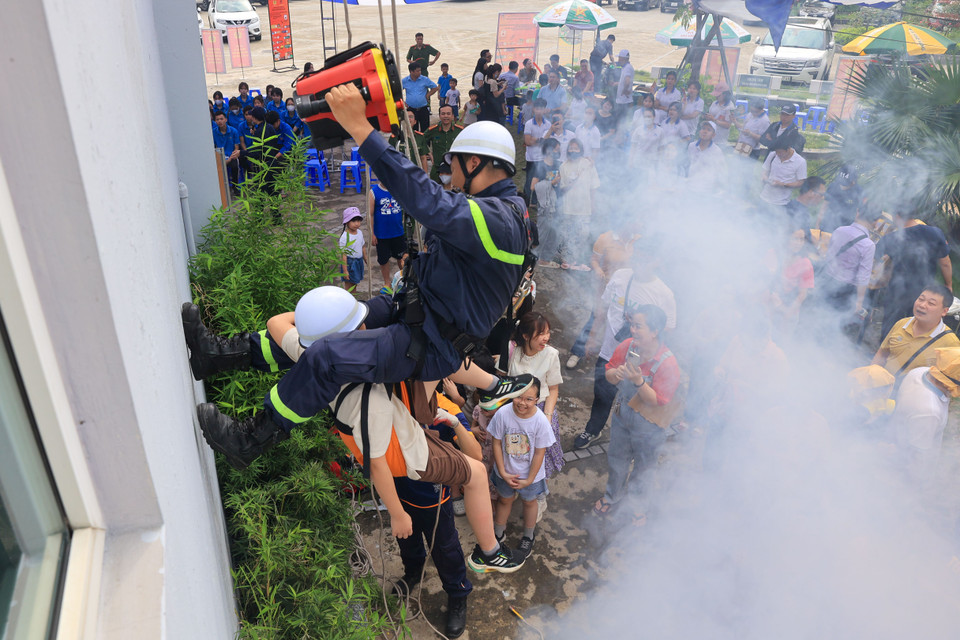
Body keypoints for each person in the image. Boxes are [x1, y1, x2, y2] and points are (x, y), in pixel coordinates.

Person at [194, 86, 536, 470]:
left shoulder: (499, 219)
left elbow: (428, 201)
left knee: (326, 357)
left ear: (475, 162)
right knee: (327, 319)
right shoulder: (502, 211)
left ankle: (250, 439)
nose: (449, 171)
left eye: (453, 163)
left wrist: (361, 130)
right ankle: (217, 355)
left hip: (431, 340)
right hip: (418, 311)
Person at [390, 394, 475, 638]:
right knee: (406, 539)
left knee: (446, 548)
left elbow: (475, 454)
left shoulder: (444, 407)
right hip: (399, 495)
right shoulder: (387, 400)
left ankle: (457, 595)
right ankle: (413, 572)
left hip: (435, 499)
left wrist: (456, 423)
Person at [575, 247, 677, 449]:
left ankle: (629, 441)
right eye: (637, 256)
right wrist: (592, 336)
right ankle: (593, 430)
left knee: (635, 402)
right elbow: (603, 309)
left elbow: (668, 331)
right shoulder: (621, 276)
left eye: (646, 258)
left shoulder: (664, 294)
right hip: (611, 351)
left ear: (657, 260)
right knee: (602, 393)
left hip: (642, 363)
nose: (639, 262)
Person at [593, 306, 681, 516]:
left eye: (638, 326)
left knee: (644, 467)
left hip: (649, 424)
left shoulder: (667, 363)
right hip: (623, 414)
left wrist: (638, 381)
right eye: (632, 324)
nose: (632, 329)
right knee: (617, 459)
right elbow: (609, 374)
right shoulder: (627, 346)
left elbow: (658, 401)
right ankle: (612, 495)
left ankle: (637, 505)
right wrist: (617, 373)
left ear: (655, 331)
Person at [488, 378, 555, 561]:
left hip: (530, 476)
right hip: (506, 472)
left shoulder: (540, 422)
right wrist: (502, 471)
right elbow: (496, 442)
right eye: (518, 396)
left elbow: (539, 454)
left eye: (529, 399)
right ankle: (498, 533)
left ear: (537, 400)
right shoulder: (503, 414)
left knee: (529, 502)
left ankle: (528, 535)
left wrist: (529, 479)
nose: (522, 403)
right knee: (504, 500)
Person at [566, 219, 641, 369]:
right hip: (606, 286)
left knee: (625, 323)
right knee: (597, 316)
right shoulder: (605, 238)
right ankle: (578, 351)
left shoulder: (638, 240)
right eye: (634, 222)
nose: (638, 226)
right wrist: (598, 270)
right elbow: (594, 260)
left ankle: (618, 360)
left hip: (629, 291)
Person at [876, 211, 953, 339]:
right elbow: (945, 263)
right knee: (918, 321)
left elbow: (878, 261)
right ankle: (910, 352)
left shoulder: (891, 238)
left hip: (897, 289)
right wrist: (948, 285)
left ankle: (885, 353)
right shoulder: (934, 232)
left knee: (892, 322)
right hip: (924, 290)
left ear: (897, 216)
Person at [506, 313, 564, 483]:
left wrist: (548, 416)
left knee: (540, 455)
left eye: (547, 332)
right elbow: (502, 380)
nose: (545, 338)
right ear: (525, 336)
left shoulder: (551, 355)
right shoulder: (512, 351)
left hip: (540, 410)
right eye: (540, 334)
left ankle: (539, 493)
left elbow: (553, 388)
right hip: (515, 409)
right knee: (517, 452)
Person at [890, 347, 960, 486]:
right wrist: (920, 484)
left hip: (898, 435)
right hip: (906, 465)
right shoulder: (929, 412)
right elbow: (917, 456)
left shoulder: (919, 372)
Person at [872, 285, 960, 377]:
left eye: (931, 303)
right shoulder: (902, 324)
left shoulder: (951, 344)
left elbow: (951, 384)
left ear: (944, 311)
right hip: (882, 387)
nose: (922, 305)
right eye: (921, 299)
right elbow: (882, 354)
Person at [816, 199, 879, 317]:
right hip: (844, 291)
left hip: (826, 281)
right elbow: (863, 277)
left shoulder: (839, 230)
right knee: (834, 321)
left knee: (820, 315)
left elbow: (830, 255)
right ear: (875, 222)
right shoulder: (868, 245)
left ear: (858, 213)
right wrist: (859, 302)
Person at [556, 138, 599, 269]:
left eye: (576, 148)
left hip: (584, 207)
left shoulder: (588, 164)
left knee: (583, 233)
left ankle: (579, 259)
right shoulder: (563, 166)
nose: (573, 150)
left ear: (580, 150)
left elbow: (594, 186)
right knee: (568, 234)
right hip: (568, 207)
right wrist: (571, 183)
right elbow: (562, 188)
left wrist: (593, 204)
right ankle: (567, 259)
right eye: (571, 148)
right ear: (568, 150)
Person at [770, 227, 815, 335]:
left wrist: (787, 313)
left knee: (782, 343)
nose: (798, 243)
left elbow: (802, 295)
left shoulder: (805, 264)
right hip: (769, 305)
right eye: (795, 239)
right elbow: (765, 278)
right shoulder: (775, 253)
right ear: (786, 238)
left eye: (802, 239)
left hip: (789, 309)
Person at [368, 183, 407, 293]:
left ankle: (404, 279)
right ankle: (387, 283)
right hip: (382, 235)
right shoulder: (373, 192)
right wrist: (372, 234)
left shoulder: (398, 189)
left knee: (402, 258)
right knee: (383, 260)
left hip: (398, 232)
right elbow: (370, 215)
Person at [760, 134, 807, 214]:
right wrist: (764, 177)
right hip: (764, 197)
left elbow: (801, 182)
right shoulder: (773, 155)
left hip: (781, 203)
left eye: (780, 152)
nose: (778, 154)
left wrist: (783, 184)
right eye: (777, 152)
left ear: (788, 149)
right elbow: (765, 170)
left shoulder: (800, 162)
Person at [424, 105, 464, 183]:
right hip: (437, 169)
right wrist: (427, 153)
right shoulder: (432, 130)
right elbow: (421, 141)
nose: (445, 116)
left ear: (452, 116)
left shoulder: (459, 131)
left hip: (454, 169)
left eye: (448, 114)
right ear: (439, 115)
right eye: (443, 114)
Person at [522, 98, 550, 201]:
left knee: (540, 180)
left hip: (543, 158)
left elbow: (547, 142)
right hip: (531, 158)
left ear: (544, 110)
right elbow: (528, 142)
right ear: (533, 109)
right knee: (529, 180)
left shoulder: (548, 124)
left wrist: (534, 139)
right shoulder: (529, 123)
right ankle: (525, 201)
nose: (539, 111)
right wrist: (541, 139)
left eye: (541, 109)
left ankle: (535, 201)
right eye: (537, 108)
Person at [820, 165, 861, 233]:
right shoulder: (832, 186)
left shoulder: (858, 192)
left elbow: (858, 213)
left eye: (845, 184)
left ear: (853, 182)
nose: (842, 187)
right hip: (827, 224)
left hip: (846, 228)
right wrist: (818, 225)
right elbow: (824, 206)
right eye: (841, 183)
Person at [686, 121, 726, 190]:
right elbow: (688, 164)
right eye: (703, 128)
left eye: (709, 130)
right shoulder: (691, 146)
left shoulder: (717, 151)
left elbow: (721, 172)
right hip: (691, 184)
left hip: (707, 188)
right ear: (699, 131)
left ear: (713, 135)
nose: (705, 131)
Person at [402, 63, 439, 133]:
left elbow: (435, 87)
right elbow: (396, 91)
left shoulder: (424, 79)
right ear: (411, 71)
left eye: (420, 70)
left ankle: (425, 143)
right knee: (412, 129)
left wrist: (428, 95)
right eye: (417, 71)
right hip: (411, 109)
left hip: (423, 108)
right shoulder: (405, 81)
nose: (420, 72)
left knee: (425, 129)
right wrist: (402, 102)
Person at [339, 207, 367, 291]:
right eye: (353, 221)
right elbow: (343, 255)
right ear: (347, 222)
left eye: (358, 220)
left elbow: (363, 246)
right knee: (349, 286)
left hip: (359, 261)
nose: (357, 223)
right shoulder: (344, 237)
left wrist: (365, 258)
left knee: (354, 284)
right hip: (350, 263)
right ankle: (350, 301)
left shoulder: (360, 233)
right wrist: (345, 271)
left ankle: (353, 300)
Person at [212, 111, 241, 187]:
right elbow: (213, 148)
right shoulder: (213, 132)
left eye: (221, 119)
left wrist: (230, 159)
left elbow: (236, 148)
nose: (219, 121)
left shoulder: (233, 131)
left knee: (235, 166)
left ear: (226, 119)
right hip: (219, 156)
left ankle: (235, 187)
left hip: (232, 156)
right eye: (217, 119)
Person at [614, 50, 634, 123]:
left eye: (619, 58)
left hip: (624, 101)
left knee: (621, 121)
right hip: (624, 101)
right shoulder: (627, 67)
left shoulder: (627, 68)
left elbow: (627, 81)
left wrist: (624, 90)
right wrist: (618, 83)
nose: (618, 60)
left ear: (623, 58)